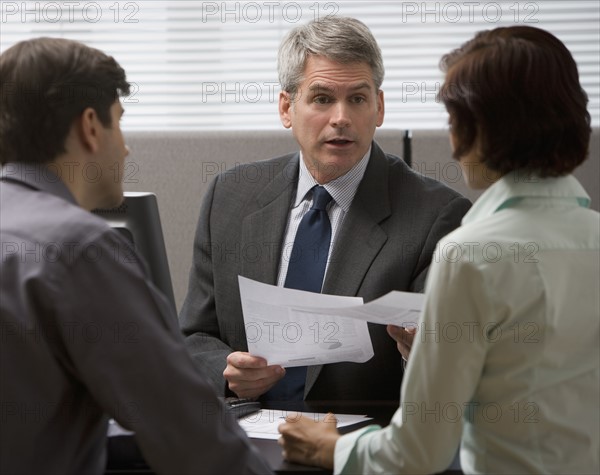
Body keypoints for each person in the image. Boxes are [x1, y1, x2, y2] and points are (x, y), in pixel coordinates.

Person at [278, 25, 600, 474]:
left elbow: (416, 452)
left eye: (454, 123)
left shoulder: (470, 254)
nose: (451, 144)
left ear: (481, 131)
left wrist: (328, 450)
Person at [0, 37, 273, 475]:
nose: (125, 148)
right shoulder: (79, 248)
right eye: (119, 122)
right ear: (91, 127)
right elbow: (191, 436)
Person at [179, 15, 471, 409]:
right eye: (321, 98)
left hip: (355, 449)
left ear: (379, 107)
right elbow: (195, 336)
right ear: (287, 108)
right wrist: (227, 371)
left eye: (358, 98)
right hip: (244, 441)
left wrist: (418, 353)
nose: (341, 118)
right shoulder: (230, 196)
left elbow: (438, 372)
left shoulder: (437, 215)